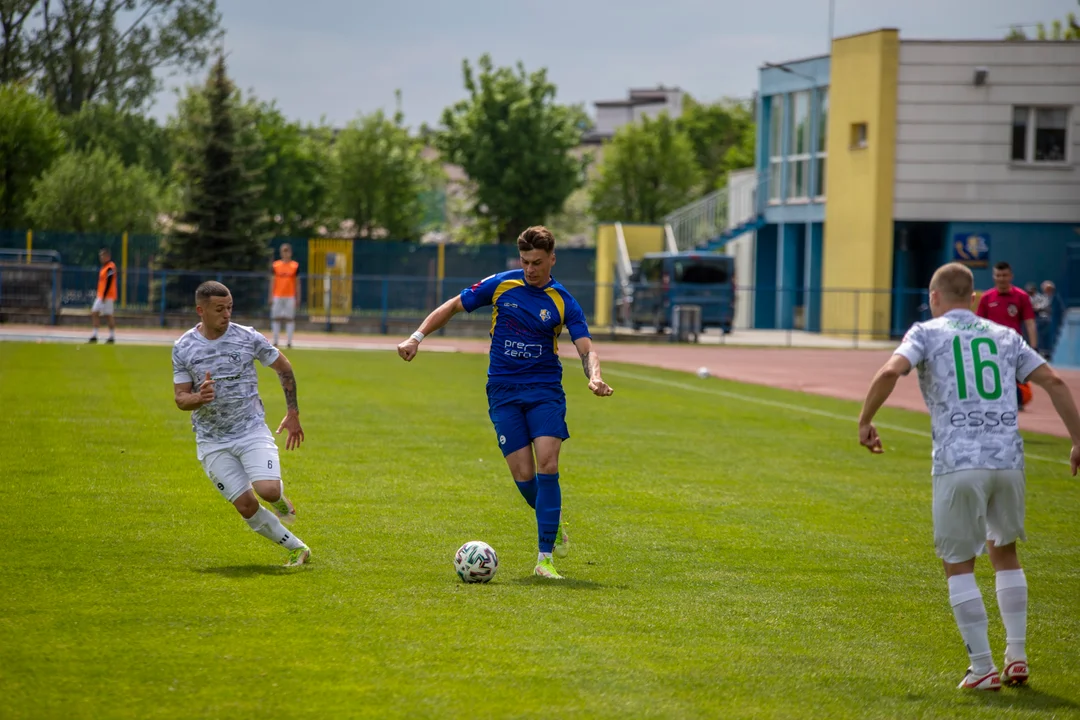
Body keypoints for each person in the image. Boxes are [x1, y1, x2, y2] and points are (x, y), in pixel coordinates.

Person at [857, 262, 1080, 691]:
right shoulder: (1005, 334)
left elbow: (889, 371)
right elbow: (1052, 380)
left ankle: (982, 668)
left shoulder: (925, 332)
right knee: (1005, 552)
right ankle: (1017, 655)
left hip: (959, 461)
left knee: (958, 563)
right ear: (975, 297)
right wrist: (1076, 439)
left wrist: (865, 420)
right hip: (1008, 462)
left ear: (934, 297)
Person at [397, 226, 614, 580]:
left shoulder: (563, 300)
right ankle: (553, 523)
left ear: (552, 259)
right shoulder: (501, 284)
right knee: (524, 475)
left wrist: (594, 376)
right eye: (526, 262)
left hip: (544, 391)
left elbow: (585, 346)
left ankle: (545, 559)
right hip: (502, 391)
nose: (531, 269)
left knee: (547, 463)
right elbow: (453, 305)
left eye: (538, 263)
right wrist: (415, 337)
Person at [172, 281, 311, 567]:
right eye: (219, 309)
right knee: (246, 506)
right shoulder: (183, 347)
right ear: (201, 310)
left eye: (230, 308)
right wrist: (200, 397)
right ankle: (298, 549)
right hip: (212, 440)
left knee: (268, 491)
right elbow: (180, 399)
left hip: (251, 430)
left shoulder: (247, 338)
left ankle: (280, 500)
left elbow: (284, 367)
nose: (226, 314)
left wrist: (293, 412)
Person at [270, 244, 300, 348]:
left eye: (287, 251)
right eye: (284, 251)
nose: (286, 253)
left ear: (290, 252)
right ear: (281, 252)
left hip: (290, 295)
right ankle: (275, 340)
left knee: (290, 318)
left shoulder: (295, 266)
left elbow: (297, 282)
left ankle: (289, 342)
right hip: (277, 295)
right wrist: (271, 295)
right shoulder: (276, 265)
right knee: (276, 318)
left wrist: (297, 297)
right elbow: (272, 281)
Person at [88, 248, 117, 344]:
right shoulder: (104, 267)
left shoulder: (110, 267)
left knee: (108, 315)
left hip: (107, 296)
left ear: (107, 256)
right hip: (101, 295)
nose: (101, 258)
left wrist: (104, 295)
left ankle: (112, 336)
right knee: (95, 312)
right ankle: (95, 334)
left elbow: (109, 282)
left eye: (103, 255)